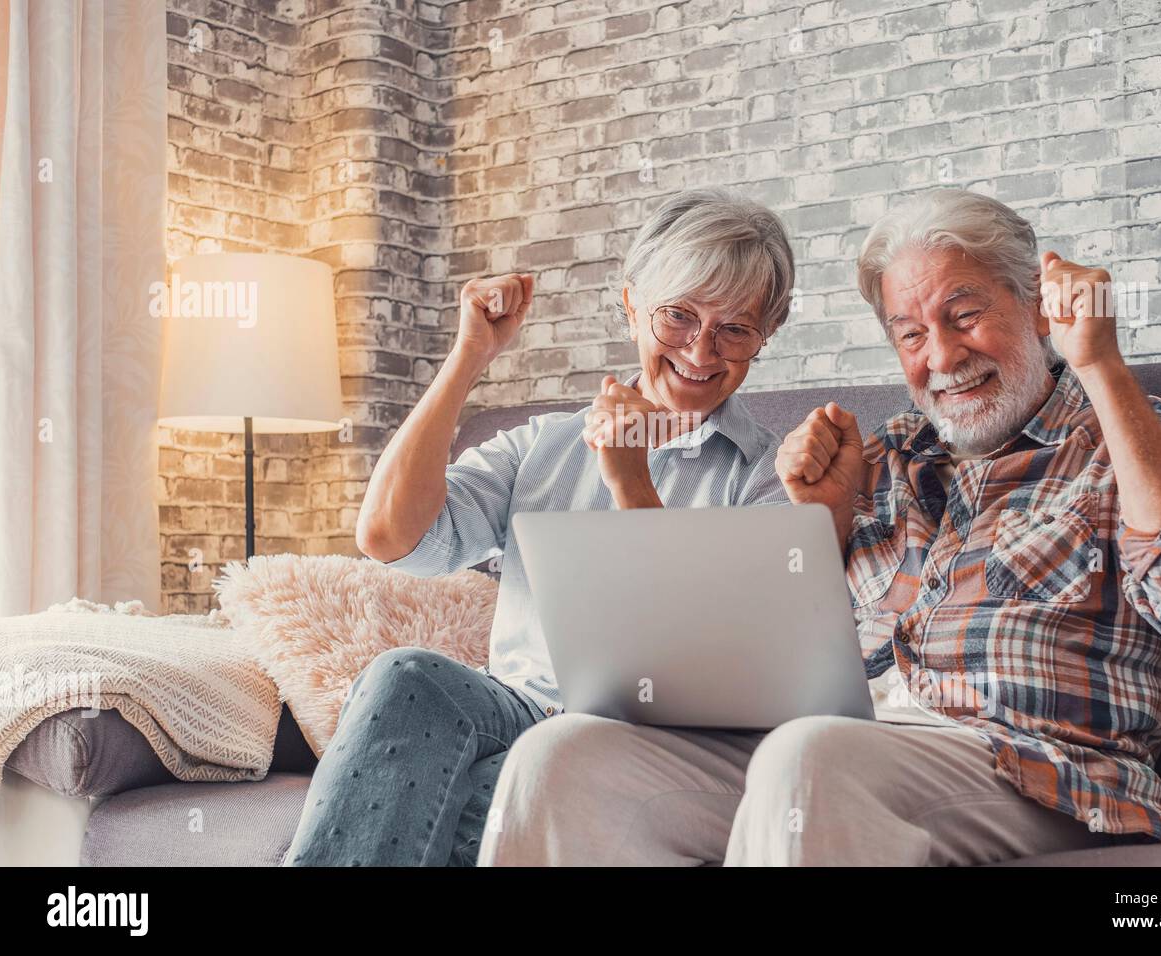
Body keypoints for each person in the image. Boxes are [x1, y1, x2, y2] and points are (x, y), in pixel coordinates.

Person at [477, 188, 1161, 866]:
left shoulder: (1137, 436)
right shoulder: (887, 458)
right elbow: (767, 662)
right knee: (562, 757)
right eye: (910, 334)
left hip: (1043, 772)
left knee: (811, 758)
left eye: (966, 315)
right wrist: (828, 519)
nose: (942, 355)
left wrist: (1102, 366)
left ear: (1036, 305)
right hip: (849, 748)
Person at [283, 187, 796, 866]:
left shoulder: (772, 479)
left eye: (736, 327)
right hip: (517, 715)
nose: (701, 349)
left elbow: (711, 672)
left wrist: (629, 478)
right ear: (631, 307)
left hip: (653, 743)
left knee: (496, 791)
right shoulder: (543, 447)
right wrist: (469, 357)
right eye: (679, 316)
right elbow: (386, 536)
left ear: (768, 335)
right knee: (408, 677)